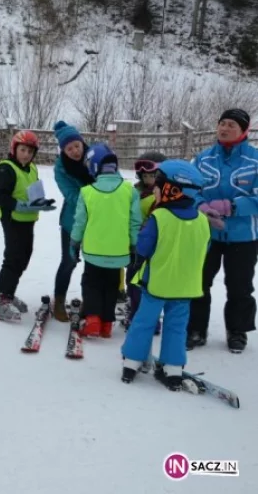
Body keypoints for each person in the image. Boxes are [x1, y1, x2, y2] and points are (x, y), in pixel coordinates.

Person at [121, 160, 210, 389]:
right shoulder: (202, 221)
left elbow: (143, 248)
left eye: (159, 188)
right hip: (185, 287)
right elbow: (205, 248)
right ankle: (173, 368)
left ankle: (132, 361)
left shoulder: (158, 218)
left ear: (172, 190)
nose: (155, 192)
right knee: (177, 326)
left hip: (157, 284)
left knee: (143, 321)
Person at [189, 108, 258, 353]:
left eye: (232, 125)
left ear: (243, 131)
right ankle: (196, 328)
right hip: (206, 233)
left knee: (239, 285)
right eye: (222, 123)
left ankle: (237, 330)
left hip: (243, 235)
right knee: (198, 280)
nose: (225, 128)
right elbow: (188, 188)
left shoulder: (254, 159)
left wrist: (232, 206)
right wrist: (202, 206)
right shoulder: (203, 159)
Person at [70, 143, 142, 338]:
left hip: (93, 252)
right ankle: (107, 324)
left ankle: (93, 319)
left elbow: (79, 223)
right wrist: (135, 247)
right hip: (119, 253)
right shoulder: (130, 191)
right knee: (111, 285)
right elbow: (135, 223)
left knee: (91, 283)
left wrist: (74, 244)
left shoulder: (87, 192)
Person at [0, 130, 56, 322]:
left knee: (24, 257)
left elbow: (32, 191)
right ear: (14, 149)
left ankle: (8, 294)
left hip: (28, 219)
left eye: (30, 151)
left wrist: (40, 202)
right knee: (13, 257)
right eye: (22, 150)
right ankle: (0, 300)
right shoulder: (6, 168)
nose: (26, 154)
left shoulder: (32, 168)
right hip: (12, 219)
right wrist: (16, 204)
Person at [51, 120, 93, 321]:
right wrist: (98, 199)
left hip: (99, 221)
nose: (75, 151)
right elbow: (72, 195)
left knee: (95, 263)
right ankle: (58, 301)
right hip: (72, 220)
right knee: (69, 261)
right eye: (69, 149)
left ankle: (92, 302)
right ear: (63, 151)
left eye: (77, 146)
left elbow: (112, 178)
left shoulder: (96, 157)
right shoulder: (61, 168)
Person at [122, 151, 167, 330]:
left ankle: (147, 319)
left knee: (146, 283)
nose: (149, 179)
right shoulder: (134, 191)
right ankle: (136, 311)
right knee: (132, 280)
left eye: (153, 175)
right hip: (134, 245)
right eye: (145, 175)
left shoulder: (161, 196)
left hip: (151, 247)